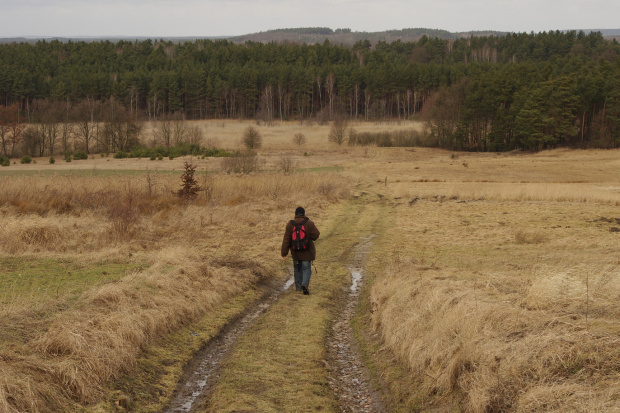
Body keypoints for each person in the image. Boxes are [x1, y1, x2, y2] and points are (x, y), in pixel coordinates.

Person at [281, 206, 320, 294]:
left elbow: (286, 240)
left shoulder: (290, 224)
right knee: (306, 268)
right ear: (304, 214)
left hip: (295, 253)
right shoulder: (309, 223)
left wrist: (284, 253)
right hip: (307, 252)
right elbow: (316, 235)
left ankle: (298, 288)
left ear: (295, 214)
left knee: (297, 269)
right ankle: (305, 284)